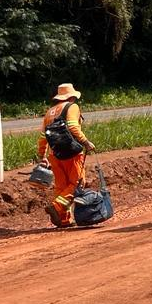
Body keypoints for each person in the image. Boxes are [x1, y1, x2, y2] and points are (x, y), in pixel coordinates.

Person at [37, 83, 95, 229]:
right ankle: (56, 207)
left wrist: (42, 155)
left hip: (54, 154)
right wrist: (86, 142)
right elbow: (73, 126)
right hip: (72, 152)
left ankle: (64, 219)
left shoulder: (50, 112)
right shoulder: (71, 107)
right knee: (77, 184)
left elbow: (43, 136)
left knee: (61, 186)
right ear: (71, 97)